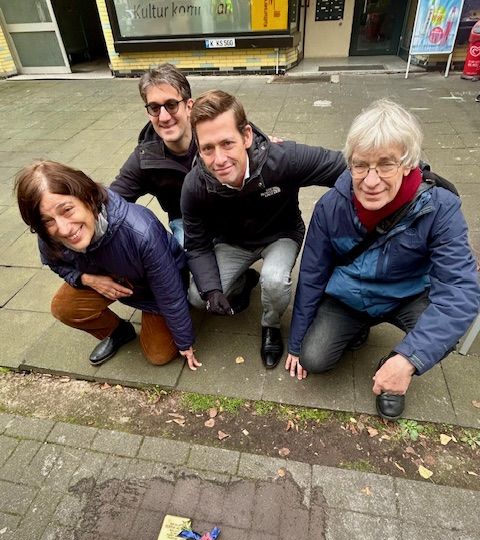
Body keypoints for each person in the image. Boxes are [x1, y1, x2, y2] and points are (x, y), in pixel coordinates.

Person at [286, 99, 479, 420]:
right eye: (360, 165)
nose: (371, 180)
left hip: (407, 295)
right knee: (314, 359)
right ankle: (358, 330)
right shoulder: (330, 207)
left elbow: (460, 294)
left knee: (445, 334)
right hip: (348, 298)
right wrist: (295, 343)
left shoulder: (441, 208)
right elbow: (312, 275)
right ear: (349, 164)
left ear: (408, 164)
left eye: (386, 164)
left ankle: (391, 369)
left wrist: (406, 360)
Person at [181, 89, 347, 370]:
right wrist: (212, 290)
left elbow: (344, 165)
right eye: (208, 148)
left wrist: (413, 171)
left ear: (246, 136)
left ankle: (270, 325)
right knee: (198, 295)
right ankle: (245, 282)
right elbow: (196, 244)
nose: (219, 159)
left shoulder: (283, 159)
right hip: (232, 242)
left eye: (227, 143)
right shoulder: (194, 185)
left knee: (274, 280)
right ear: (198, 148)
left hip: (280, 234)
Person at [15, 161, 201, 370]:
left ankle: (163, 319)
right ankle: (119, 331)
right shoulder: (51, 234)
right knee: (64, 308)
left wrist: (185, 340)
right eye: (48, 220)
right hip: (112, 279)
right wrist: (86, 279)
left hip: (153, 292)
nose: (64, 229)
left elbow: (169, 291)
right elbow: (55, 264)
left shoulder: (140, 232)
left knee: (159, 355)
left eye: (67, 210)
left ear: (87, 197)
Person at [110, 63, 195, 247]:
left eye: (171, 105)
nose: (163, 117)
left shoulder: (212, 127)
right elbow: (109, 205)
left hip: (226, 213)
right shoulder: (145, 157)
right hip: (185, 222)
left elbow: (248, 136)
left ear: (189, 106)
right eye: (155, 108)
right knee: (193, 267)